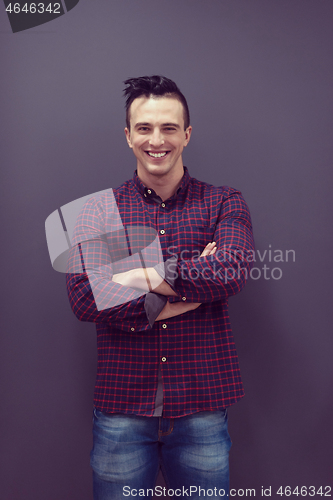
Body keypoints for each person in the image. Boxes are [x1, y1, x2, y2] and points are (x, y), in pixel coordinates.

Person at [66, 75, 255, 499]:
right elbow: (84, 296)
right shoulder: (98, 210)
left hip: (202, 405)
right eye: (145, 128)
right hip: (122, 409)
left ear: (186, 135)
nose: (157, 139)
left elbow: (232, 271)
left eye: (169, 127)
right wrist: (187, 293)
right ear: (128, 135)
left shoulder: (225, 201)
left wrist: (136, 276)